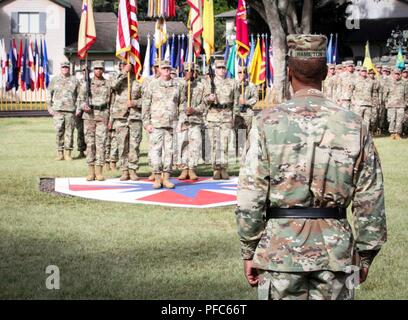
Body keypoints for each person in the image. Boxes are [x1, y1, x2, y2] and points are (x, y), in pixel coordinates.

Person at [236, 34, 387, 300]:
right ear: (326, 72)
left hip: (279, 252)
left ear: (289, 71)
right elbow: (370, 197)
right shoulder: (354, 124)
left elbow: (251, 195)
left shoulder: (266, 123)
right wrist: (365, 254)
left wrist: (250, 250)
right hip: (336, 252)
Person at [142, 60, 185, 189]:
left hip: (172, 125)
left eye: (168, 68)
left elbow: (182, 105)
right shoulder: (152, 85)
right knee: (155, 152)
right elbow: (146, 105)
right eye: (163, 68)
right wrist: (146, 123)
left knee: (170, 152)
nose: (166, 70)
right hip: (156, 124)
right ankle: (157, 178)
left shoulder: (178, 86)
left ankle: (166, 178)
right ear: (159, 70)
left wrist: (181, 122)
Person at [76, 61, 112, 181]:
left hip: (102, 116)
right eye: (96, 68)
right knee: (90, 144)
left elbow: (111, 102)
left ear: (103, 70)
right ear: (93, 70)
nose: (98, 71)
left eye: (100, 68)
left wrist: (110, 118)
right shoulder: (86, 83)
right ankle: (91, 171)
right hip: (89, 116)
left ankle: (99, 171)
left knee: (101, 144)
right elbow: (80, 98)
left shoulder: (108, 84)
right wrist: (83, 106)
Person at [204, 59, 239, 180]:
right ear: (215, 69)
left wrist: (234, 117)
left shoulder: (232, 83)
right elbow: (203, 101)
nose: (221, 70)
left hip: (226, 115)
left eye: (223, 68)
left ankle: (223, 168)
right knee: (215, 144)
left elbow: (236, 102)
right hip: (213, 115)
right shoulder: (209, 83)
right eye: (219, 68)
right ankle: (216, 168)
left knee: (224, 143)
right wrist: (209, 98)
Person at [109, 63, 143, 180]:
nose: (126, 66)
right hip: (120, 117)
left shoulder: (139, 82)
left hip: (135, 117)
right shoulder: (117, 80)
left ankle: (133, 170)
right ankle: (124, 170)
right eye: (123, 64)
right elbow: (112, 86)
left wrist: (135, 103)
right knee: (122, 145)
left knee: (134, 145)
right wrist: (124, 73)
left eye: (129, 65)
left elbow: (147, 100)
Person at [177, 63, 205, 180]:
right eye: (187, 70)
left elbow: (204, 104)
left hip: (195, 120)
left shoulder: (201, 86)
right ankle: (184, 169)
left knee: (195, 145)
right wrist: (185, 81)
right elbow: (175, 98)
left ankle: (192, 169)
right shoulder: (178, 83)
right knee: (183, 145)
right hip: (182, 120)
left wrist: (194, 110)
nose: (190, 73)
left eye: (192, 71)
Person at [46, 61, 79, 161]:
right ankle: (60, 153)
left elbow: (79, 96)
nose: (65, 69)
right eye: (63, 67)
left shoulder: (75, 80)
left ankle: (68, 153)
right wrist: (49, 107)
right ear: (60, 68)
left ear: (69, 68)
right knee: (59, 132)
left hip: (70, 110)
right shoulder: (55, 79)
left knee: (70, 132)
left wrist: (78, 108)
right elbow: (49, 93)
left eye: (67, 67)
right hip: (58, 110)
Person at [234, 65, 258, 157]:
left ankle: (246, 153)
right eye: (240, 72)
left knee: (247, 134)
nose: (242, 74)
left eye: (244, 72)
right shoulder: (234, 84)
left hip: (247, 113)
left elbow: (255, 98)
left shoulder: (251, 85)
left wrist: (246, 102)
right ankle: (238, 154)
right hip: (237, 113)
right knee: (237, 133)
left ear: (247, 74)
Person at [383, 68, 408, 140]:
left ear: (400, 75)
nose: (397, 75)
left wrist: (406, 103)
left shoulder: (404, 84)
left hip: (401, 105)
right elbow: (385, 94)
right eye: (395, 74)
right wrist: (385, 103)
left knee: (400, 120)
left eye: (398, 74)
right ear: (393, 74)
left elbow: (406, 94)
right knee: (391, 119)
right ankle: (392, 133)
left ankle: (397, 133)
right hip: (391, 104)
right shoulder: (389, 83)